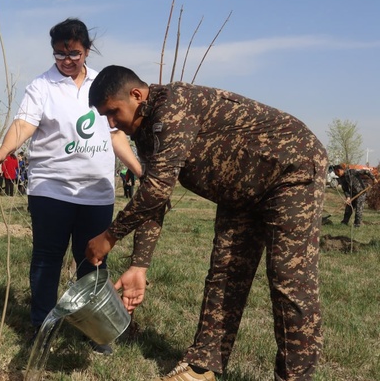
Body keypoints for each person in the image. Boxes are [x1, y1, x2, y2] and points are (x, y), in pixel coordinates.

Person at [85, 65, 327, 381]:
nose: (111, 123)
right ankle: (203, 366)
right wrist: (138, 266)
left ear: (136, 95)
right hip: (240, 191)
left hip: (291, 170)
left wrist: (110, 235)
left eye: (113, 112)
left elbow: (157, 189)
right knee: (225, 273)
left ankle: (295, 376)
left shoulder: (174, 104)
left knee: (288, 279)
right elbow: (154, 199)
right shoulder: (146, 135)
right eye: (105, 116)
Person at [0, 19, 141, 355]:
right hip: (51, 191)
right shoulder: (42, 86)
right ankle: (42, 325)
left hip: (97, 193)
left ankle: (97, 329)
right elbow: (25, 123)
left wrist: (138, 169)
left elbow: (115, 133)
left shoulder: (103, 84)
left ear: (86, 50)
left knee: (93, 259)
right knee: (47, 258)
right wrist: (4, 150)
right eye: (59, 54)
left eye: (73, 53)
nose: (66, 60)